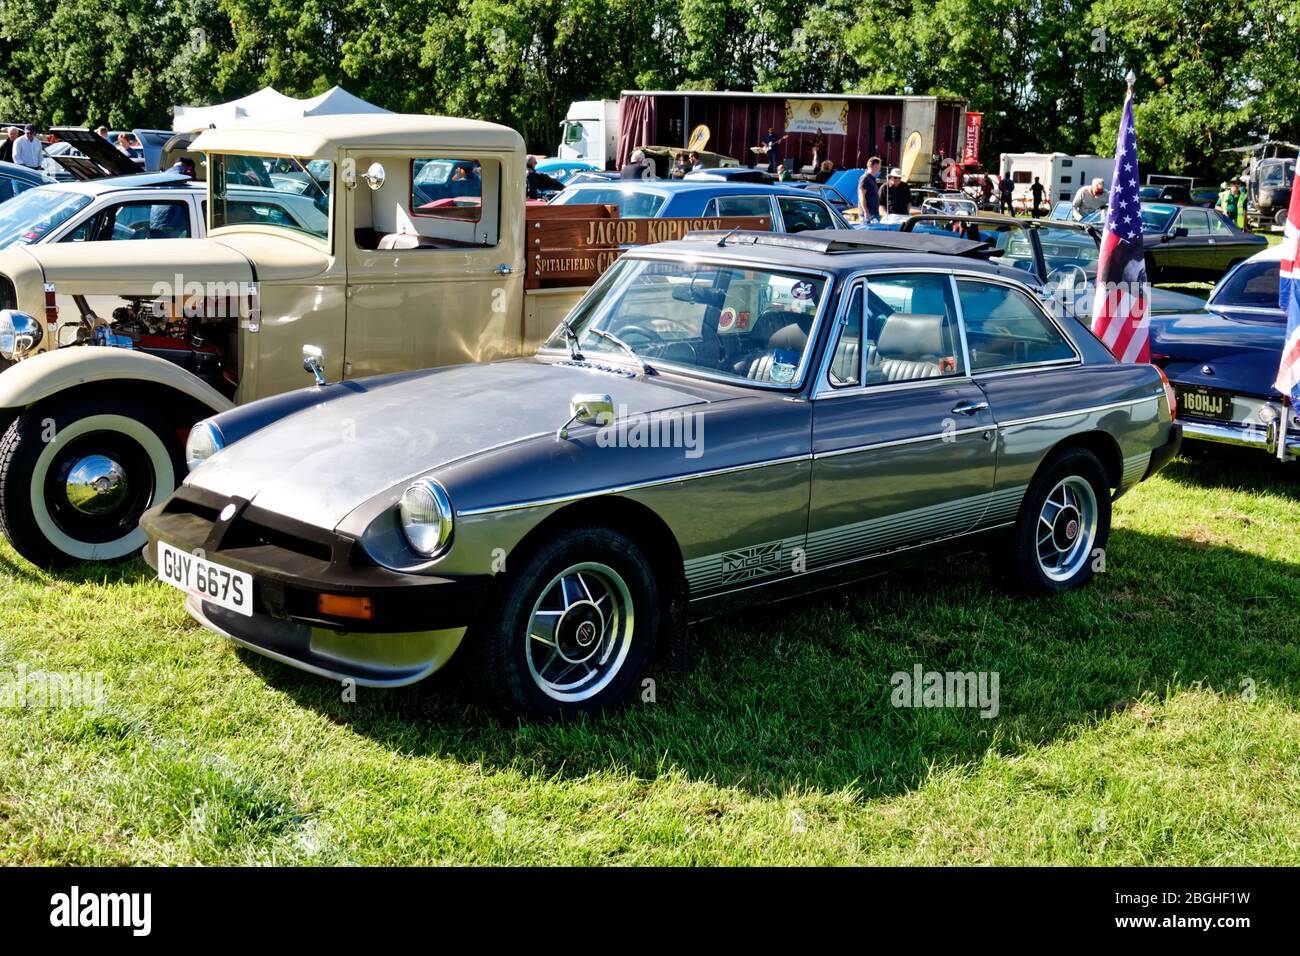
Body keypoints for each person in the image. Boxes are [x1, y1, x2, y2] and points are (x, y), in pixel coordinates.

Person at [857, 155, 882, 222]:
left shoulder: (872, 179)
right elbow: (861, 195)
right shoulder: (865, 178)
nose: (879, 169)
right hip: (868, 214)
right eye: (878, 166)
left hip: (873, 213)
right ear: (874, 166)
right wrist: (866, 211)